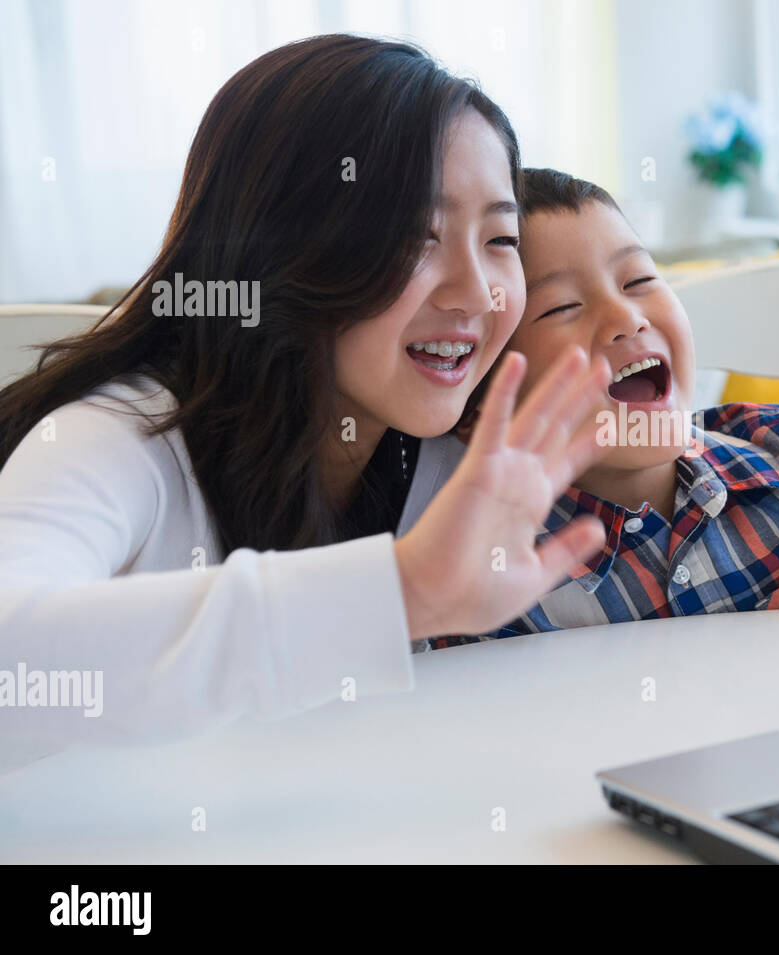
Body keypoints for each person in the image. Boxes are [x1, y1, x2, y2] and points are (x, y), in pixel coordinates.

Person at [0, 38, 609, 769]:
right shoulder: (120, 436)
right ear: (279, 246)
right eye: (416, 234)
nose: (477, 293)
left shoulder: (465, 453)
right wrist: (402, 590)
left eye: (501, 238)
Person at [438, 167, 779, 646]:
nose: (627, 317)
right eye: (562, 307)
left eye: (640, 279)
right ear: (482, 405)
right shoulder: (488, 579)